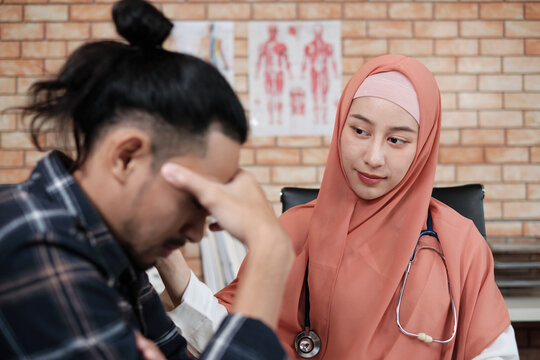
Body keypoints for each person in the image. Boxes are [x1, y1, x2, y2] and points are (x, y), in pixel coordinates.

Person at [157, 55, 519, 359]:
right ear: (340, 128)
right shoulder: (294, 231)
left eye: (396, 140)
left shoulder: (461, 245)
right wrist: (170, 263)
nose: (373, 157)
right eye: (359, 131)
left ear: (422, 147)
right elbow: (231, 341)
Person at [0, 0, 294, 359]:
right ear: (125, 157)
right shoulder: (34, 241)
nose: (198, 232)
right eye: (193, 199)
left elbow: (177, 353)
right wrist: (269, 249)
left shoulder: (115, 251)